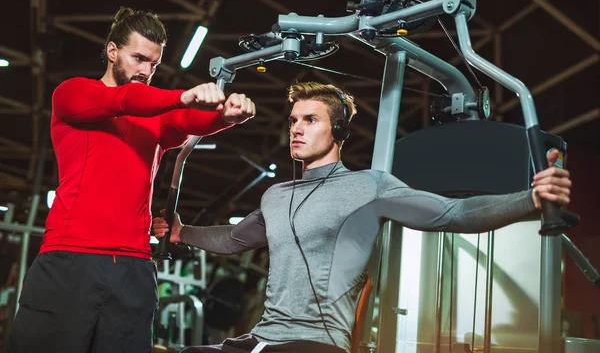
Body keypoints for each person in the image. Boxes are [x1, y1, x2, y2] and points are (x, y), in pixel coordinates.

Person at [153, 82, 572, 353]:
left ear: (338, 132)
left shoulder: (369, 187)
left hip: (316, 343)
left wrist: (529, 199)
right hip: (262, 337)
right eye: (293, 120)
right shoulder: (276, 195)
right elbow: (233, 239)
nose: (296, 129)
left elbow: (453, 212)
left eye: (310, 120)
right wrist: (182, 232)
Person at [9, 7, 256, 353]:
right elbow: (126, 100)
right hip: (70, 261)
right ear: (112, 51)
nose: (146, 70)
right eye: (138, 58)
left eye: (153, 64)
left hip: (133, 269)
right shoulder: (74, 94)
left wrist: (226, 117)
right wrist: (180, 95)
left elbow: (187, 121)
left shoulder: (156, 118)